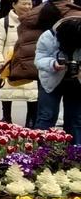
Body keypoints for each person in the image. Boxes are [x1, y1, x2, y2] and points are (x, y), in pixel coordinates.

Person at [9, 0, 79, 123]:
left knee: (45, 115)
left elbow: (26, 41)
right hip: (75, 70)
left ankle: (41, 143)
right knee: (75, 118)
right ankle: (75, 144)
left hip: (47, 70)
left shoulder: (34, 14)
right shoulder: (76, 14)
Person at [0, 0, 38, 125]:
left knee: (32, 93)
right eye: (24, 3)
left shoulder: (35, 21)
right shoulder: (3, 23)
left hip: (30, 62)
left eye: (29, 3)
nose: (27, 6)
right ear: (14, 5)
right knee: (7, 91)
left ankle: (31, 120)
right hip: (9, 63)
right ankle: (6, 117)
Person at [35, 14, 81, 144]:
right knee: (46, 116)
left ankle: (76, 152)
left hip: (77, 82)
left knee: (76, 119)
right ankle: (39, 151)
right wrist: (52, 64)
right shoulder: (48, 36)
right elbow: (38, 60)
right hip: (51, 80)